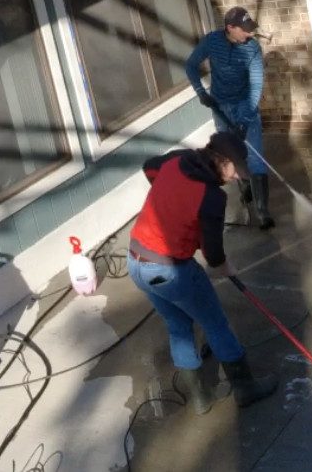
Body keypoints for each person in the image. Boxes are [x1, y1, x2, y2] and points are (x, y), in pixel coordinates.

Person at [127, 132, 277, 414]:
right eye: (235, 170)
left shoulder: (178, 160)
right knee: (216, 323)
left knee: (178, 326)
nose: (236, 178)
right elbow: (213, 253)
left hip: (135, 263)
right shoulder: (211, 197)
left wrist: (169, 206)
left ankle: (200, 399)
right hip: (170, 270)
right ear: (221, 162)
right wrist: (224, 266)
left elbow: (149, 166)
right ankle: (245, 389)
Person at [185, 6, 275, 230]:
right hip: (221, 106)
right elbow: (190, 65)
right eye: (244, 30)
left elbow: (256, 85)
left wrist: (246, 117)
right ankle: (246, 189)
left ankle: (262, 211)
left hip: (246, 105)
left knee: (254, 156)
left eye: (250, 29)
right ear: (230, 28)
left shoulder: (252, 48)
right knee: (231, 156)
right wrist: (201, 93)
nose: (249, 34)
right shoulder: (212, 42)